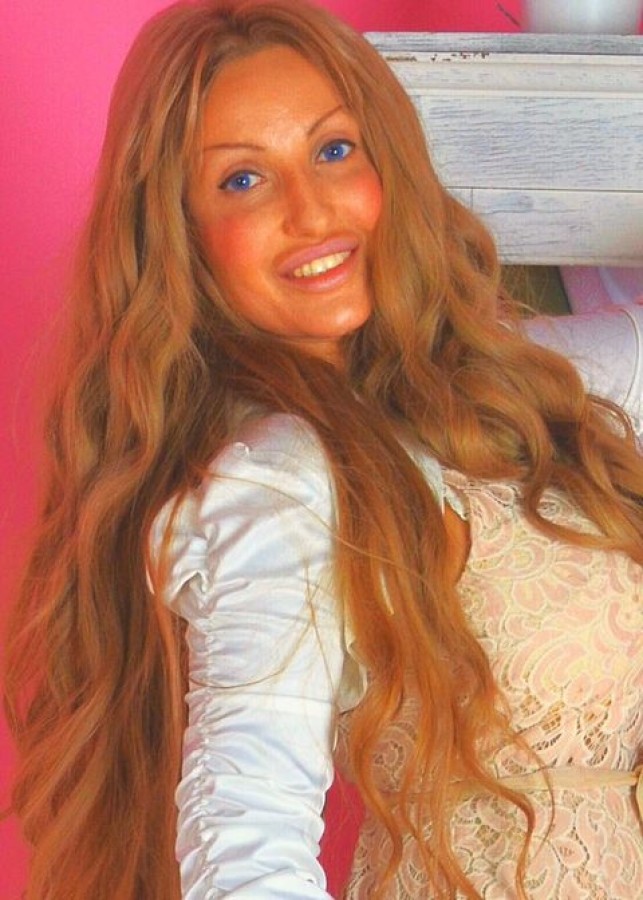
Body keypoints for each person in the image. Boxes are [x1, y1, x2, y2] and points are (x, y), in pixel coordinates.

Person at [4, 1, 642, 898]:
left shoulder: (516, 394)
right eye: (242, 180)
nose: (309, 212)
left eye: (334, 150)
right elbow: (244, 846)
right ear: (182, 235)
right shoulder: (278, 483)